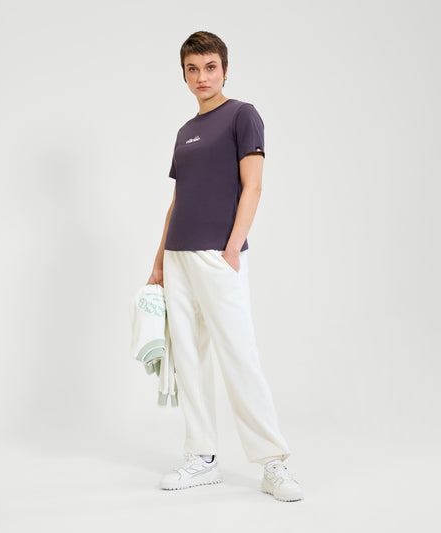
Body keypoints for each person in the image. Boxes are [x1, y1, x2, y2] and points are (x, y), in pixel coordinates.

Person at [146, 31, 303, 502]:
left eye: (210, 67)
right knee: (189, 358)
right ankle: (202, 457)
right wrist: (158, 262)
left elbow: (253, 186)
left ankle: (273, 462)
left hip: (219, 253)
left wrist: (232, 248)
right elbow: (177, 201)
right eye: (192, 69)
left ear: (225, 69)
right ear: (184, 75)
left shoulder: (242, 115)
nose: (202, 77)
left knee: (238, 353)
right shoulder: (184, 132)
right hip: (178, 256)